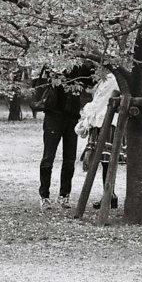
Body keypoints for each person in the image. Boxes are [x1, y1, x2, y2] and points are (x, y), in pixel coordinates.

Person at [37, 66, 92, 213]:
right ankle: (44, 196)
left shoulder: (80, 66)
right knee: (48, 157)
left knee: (69, 158)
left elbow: (91, 79)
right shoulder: (53, 63)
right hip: (53, 115)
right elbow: (50, 81)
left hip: (72, 117)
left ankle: (64, 194)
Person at [78, 73, 121, 210]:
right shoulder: (105, 79)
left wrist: (86, 120)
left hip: (106, 123)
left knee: (107, 161)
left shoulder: (111, 79)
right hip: (101, 122)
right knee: (105, 162)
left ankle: (109, 196)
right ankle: (109, 195)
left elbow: (99, 104)